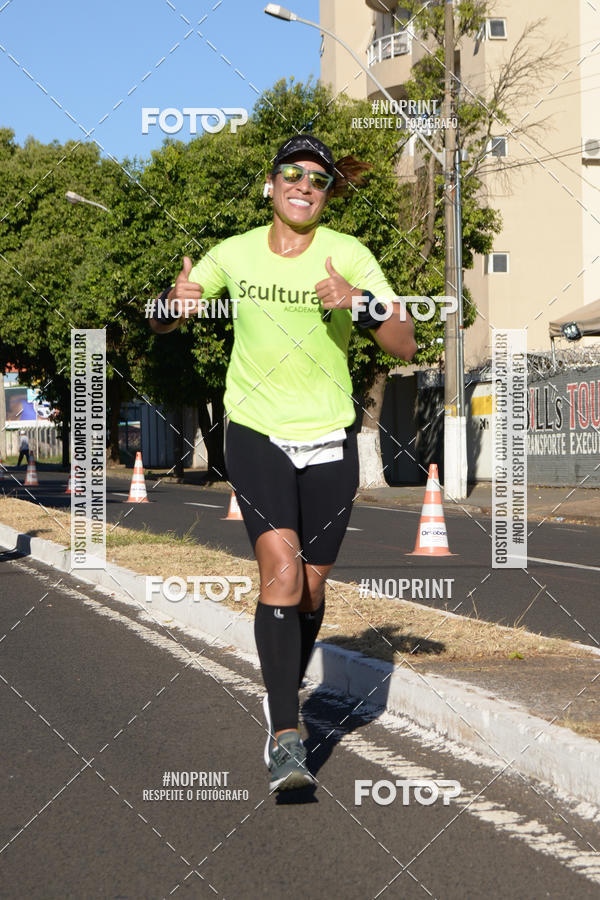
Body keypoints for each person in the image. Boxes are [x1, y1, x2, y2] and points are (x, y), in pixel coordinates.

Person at [151, 135, 416, 791]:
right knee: (281, 569)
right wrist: (172, 307)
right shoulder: (233, 253)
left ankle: (281, 691)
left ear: (327, 194)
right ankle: (287, 736)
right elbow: (166, 314)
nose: (304, 184)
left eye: (317, 179)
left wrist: (359, 302)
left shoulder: (348, 254)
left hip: (329, 435)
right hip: (256, 429)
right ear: (270, 185)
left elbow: (405, 340)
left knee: (311, 590)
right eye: (292, 173)